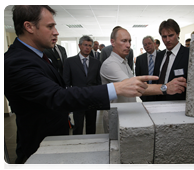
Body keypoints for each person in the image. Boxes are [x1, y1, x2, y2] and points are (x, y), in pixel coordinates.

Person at [4, 5, 159, 167]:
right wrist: (116, 88)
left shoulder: (40, 56)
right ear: (28, 27)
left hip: (53, 139)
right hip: (37, 146)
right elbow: (57, 96)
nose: (56, 32)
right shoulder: (17, 61)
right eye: (50, 26)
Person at [100, 27, 187, 103]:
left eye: (129, 41)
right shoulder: (110, 64)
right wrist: (166, 88)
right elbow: (133, 87)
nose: (128, 45)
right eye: (124, 41)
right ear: (113, 42)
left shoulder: (123, 61)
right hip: (117, 114)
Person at [63, 36, 102, 135]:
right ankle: (77, 145)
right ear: (79, 46)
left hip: (92, 99)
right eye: (85, 45)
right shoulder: (69, 62)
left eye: (90, 45)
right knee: (78, 126)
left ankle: (91, 145)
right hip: (77, 99)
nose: (87, 48)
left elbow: (98, 82)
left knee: (91, 125)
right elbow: (66, 82)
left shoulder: (96, 63)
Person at [153, 18, 189, 101]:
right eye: (164, 36)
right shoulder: (159, 55)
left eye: (171, 35)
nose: (167, 40)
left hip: (178, 103)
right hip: (157, 101)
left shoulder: (188, 54)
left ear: (178, 34)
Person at [135, 36, 162, 101]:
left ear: (154, 44)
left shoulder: (162, 56)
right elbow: (138, 75)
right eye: (145, 45)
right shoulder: (140, 59)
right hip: (145, 93)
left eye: (149, 43)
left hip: (159, 92)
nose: (147, 46)